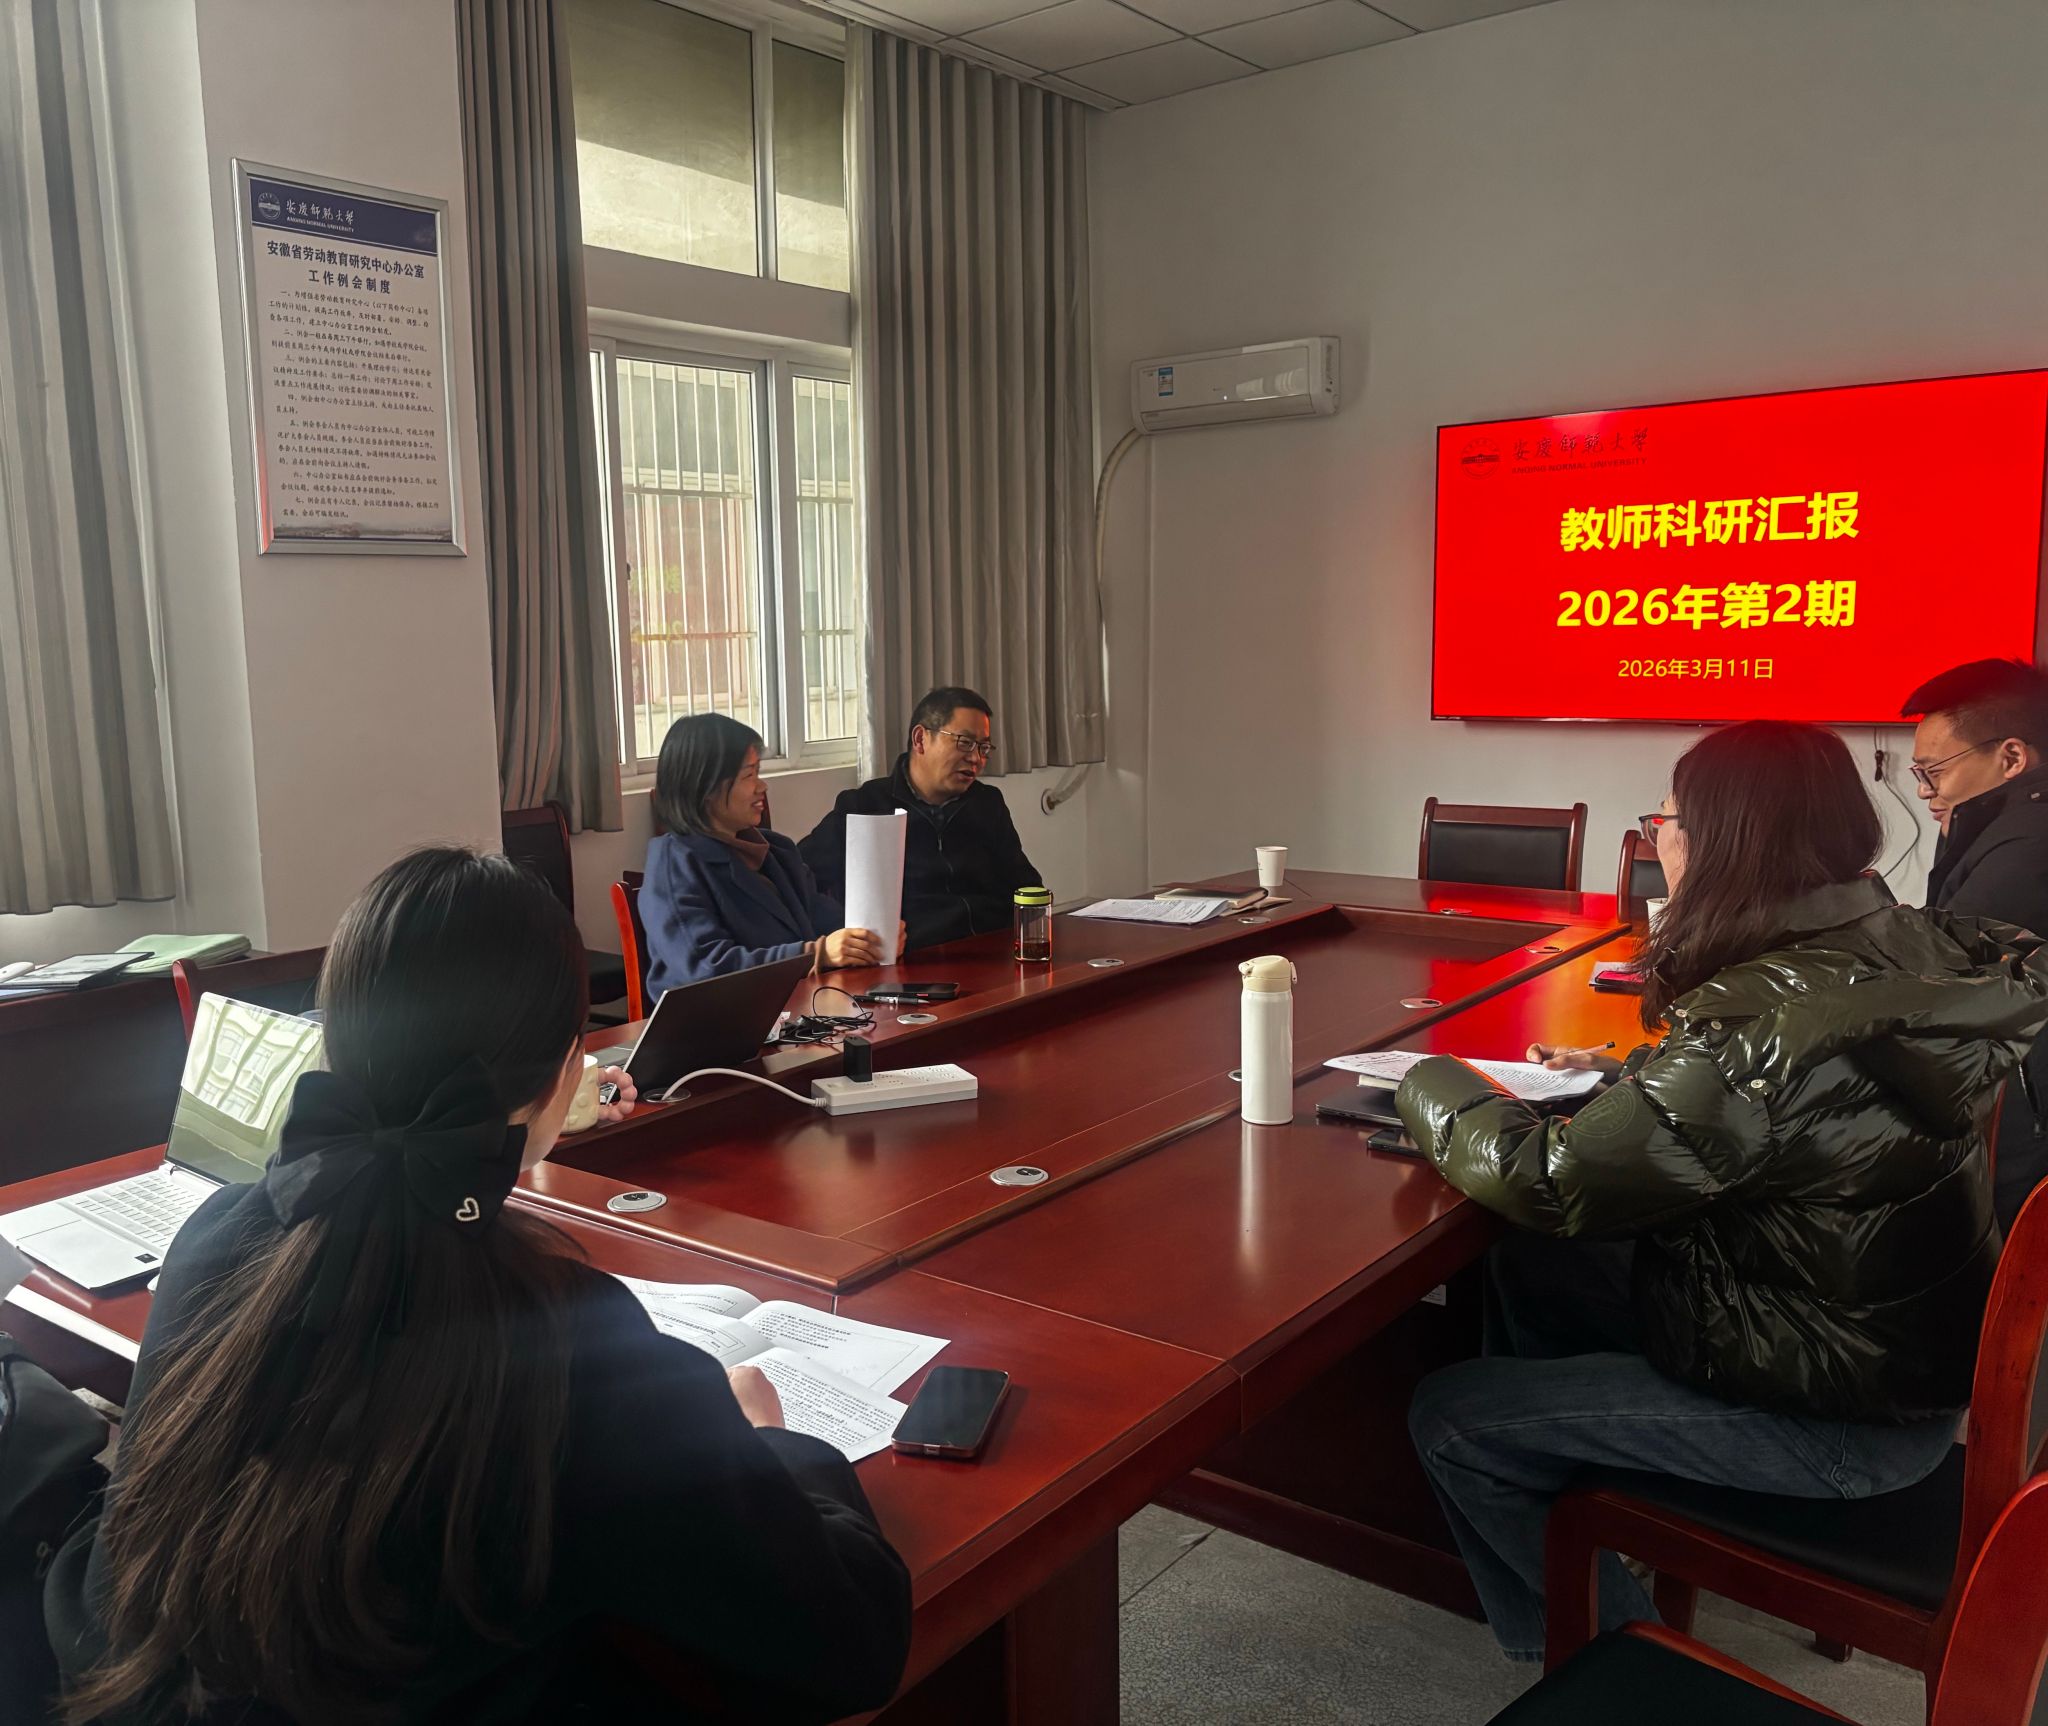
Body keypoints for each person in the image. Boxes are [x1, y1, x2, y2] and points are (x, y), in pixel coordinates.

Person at [45, 847, 911, 1723]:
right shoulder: (572, 1345)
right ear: (565, 1074)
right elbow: (854, 1642)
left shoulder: (218, 1233)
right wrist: (774, 1442)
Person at [1396, 720, 2048, 1664]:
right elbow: (1788, 1106)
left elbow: (1552, 1180)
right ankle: (1577, 1508)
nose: (1658, 838)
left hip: (1828, 1420)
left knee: (1451, 1416)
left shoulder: (1764, 1022)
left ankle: (1620, 1657)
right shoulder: (1886, 944)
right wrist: (1640, 1077)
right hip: (1872, 1355)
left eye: (1664, 821)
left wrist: (1427, 1075)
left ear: (1721, 844)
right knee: (1533, 1265)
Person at [1902, 657, 2048, 1230]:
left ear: (2011, 758)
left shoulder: (2028, 845)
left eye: (1934, 771)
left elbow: (1940, 972)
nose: (1924, 791)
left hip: (2026, 1123)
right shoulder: (2007, 828)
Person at [643, 713, 893, 992]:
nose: (762, 786)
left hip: (797, 1002)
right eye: (749, 775)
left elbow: (824, 915)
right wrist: (816, 954)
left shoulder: (776, 851)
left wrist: (874, 936)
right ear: (706, 787)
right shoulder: (674, 866)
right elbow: (708, 968)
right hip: (718, 1015)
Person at [800, 686, 1041, 952]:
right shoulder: (865, 806)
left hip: (989, 950)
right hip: (913, 958)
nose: (976, 758)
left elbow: (1026, 887)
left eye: (983, 747)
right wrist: (848, 930)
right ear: (920, 739)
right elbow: (799, 880)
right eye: (965, 742)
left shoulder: (987, 803)